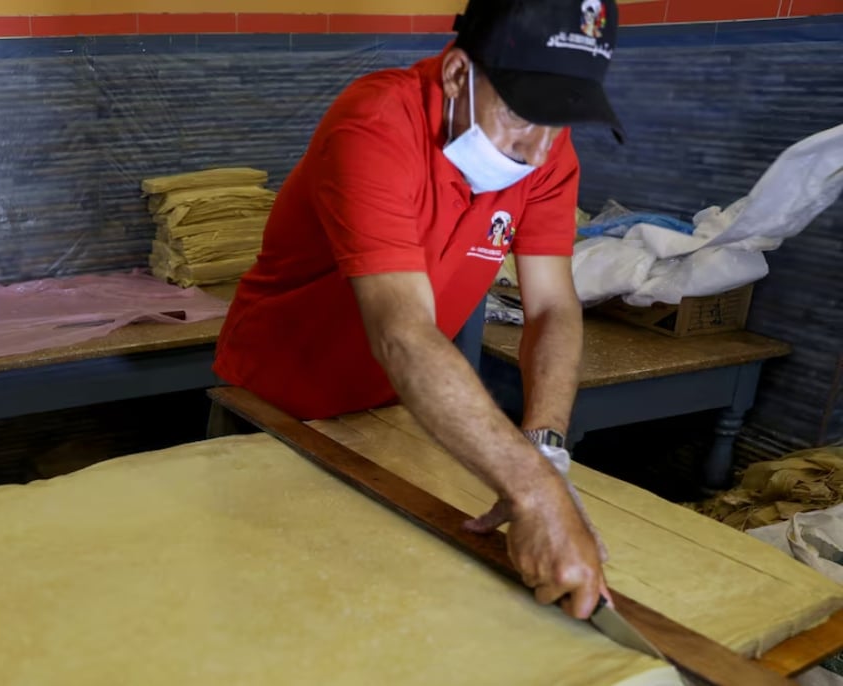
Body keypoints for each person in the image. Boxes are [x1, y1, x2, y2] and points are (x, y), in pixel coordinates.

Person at [212, 0, 625, 621]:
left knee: (374, 607)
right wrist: (533, 492)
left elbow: (551, 308)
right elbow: (403, 332)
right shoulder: (378, 122)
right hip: (273, 406)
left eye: (559, 121)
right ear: (459, 74)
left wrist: (547, 455)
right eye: (520, 113)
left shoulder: (545, 155)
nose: (536, 150)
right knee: (259, 603)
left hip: (392, 414)